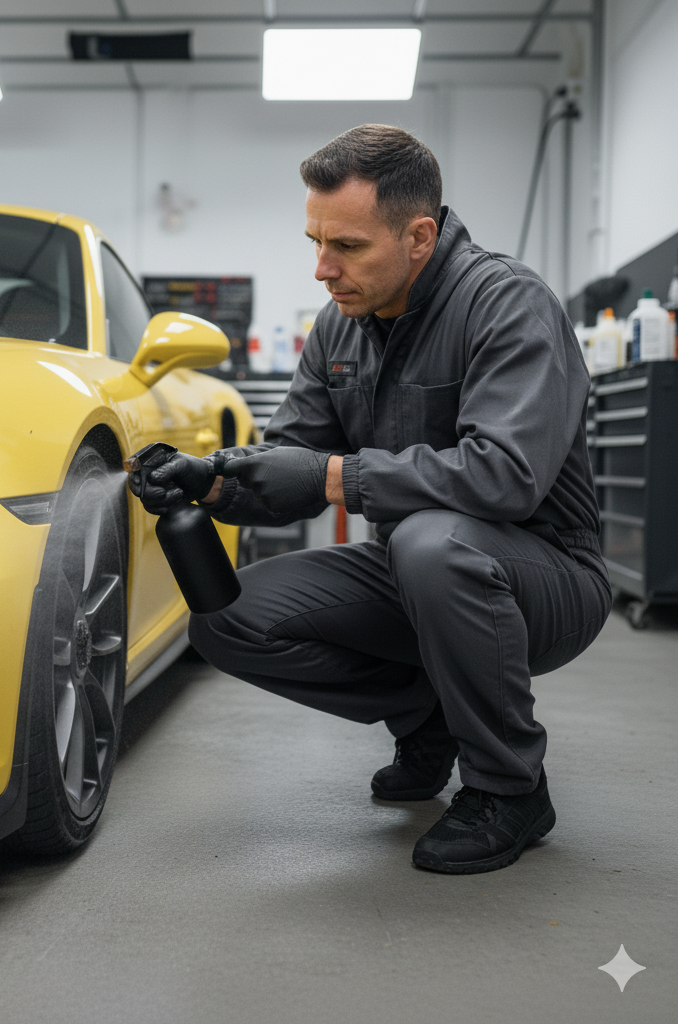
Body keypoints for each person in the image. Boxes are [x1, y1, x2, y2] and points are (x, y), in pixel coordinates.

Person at [129, 124, 612, 875]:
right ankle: (432, 717)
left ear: (419, 236)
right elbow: (287, 461)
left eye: (347, 246)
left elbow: (504, 477)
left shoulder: (506, 304)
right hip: (417, 573)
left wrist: (333, 479)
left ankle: (509, 789)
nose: (323, 268)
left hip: (544, 576)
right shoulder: (339, 327)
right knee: (227, 618)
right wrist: (213, 477)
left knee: (431, 543)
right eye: (316, 241)